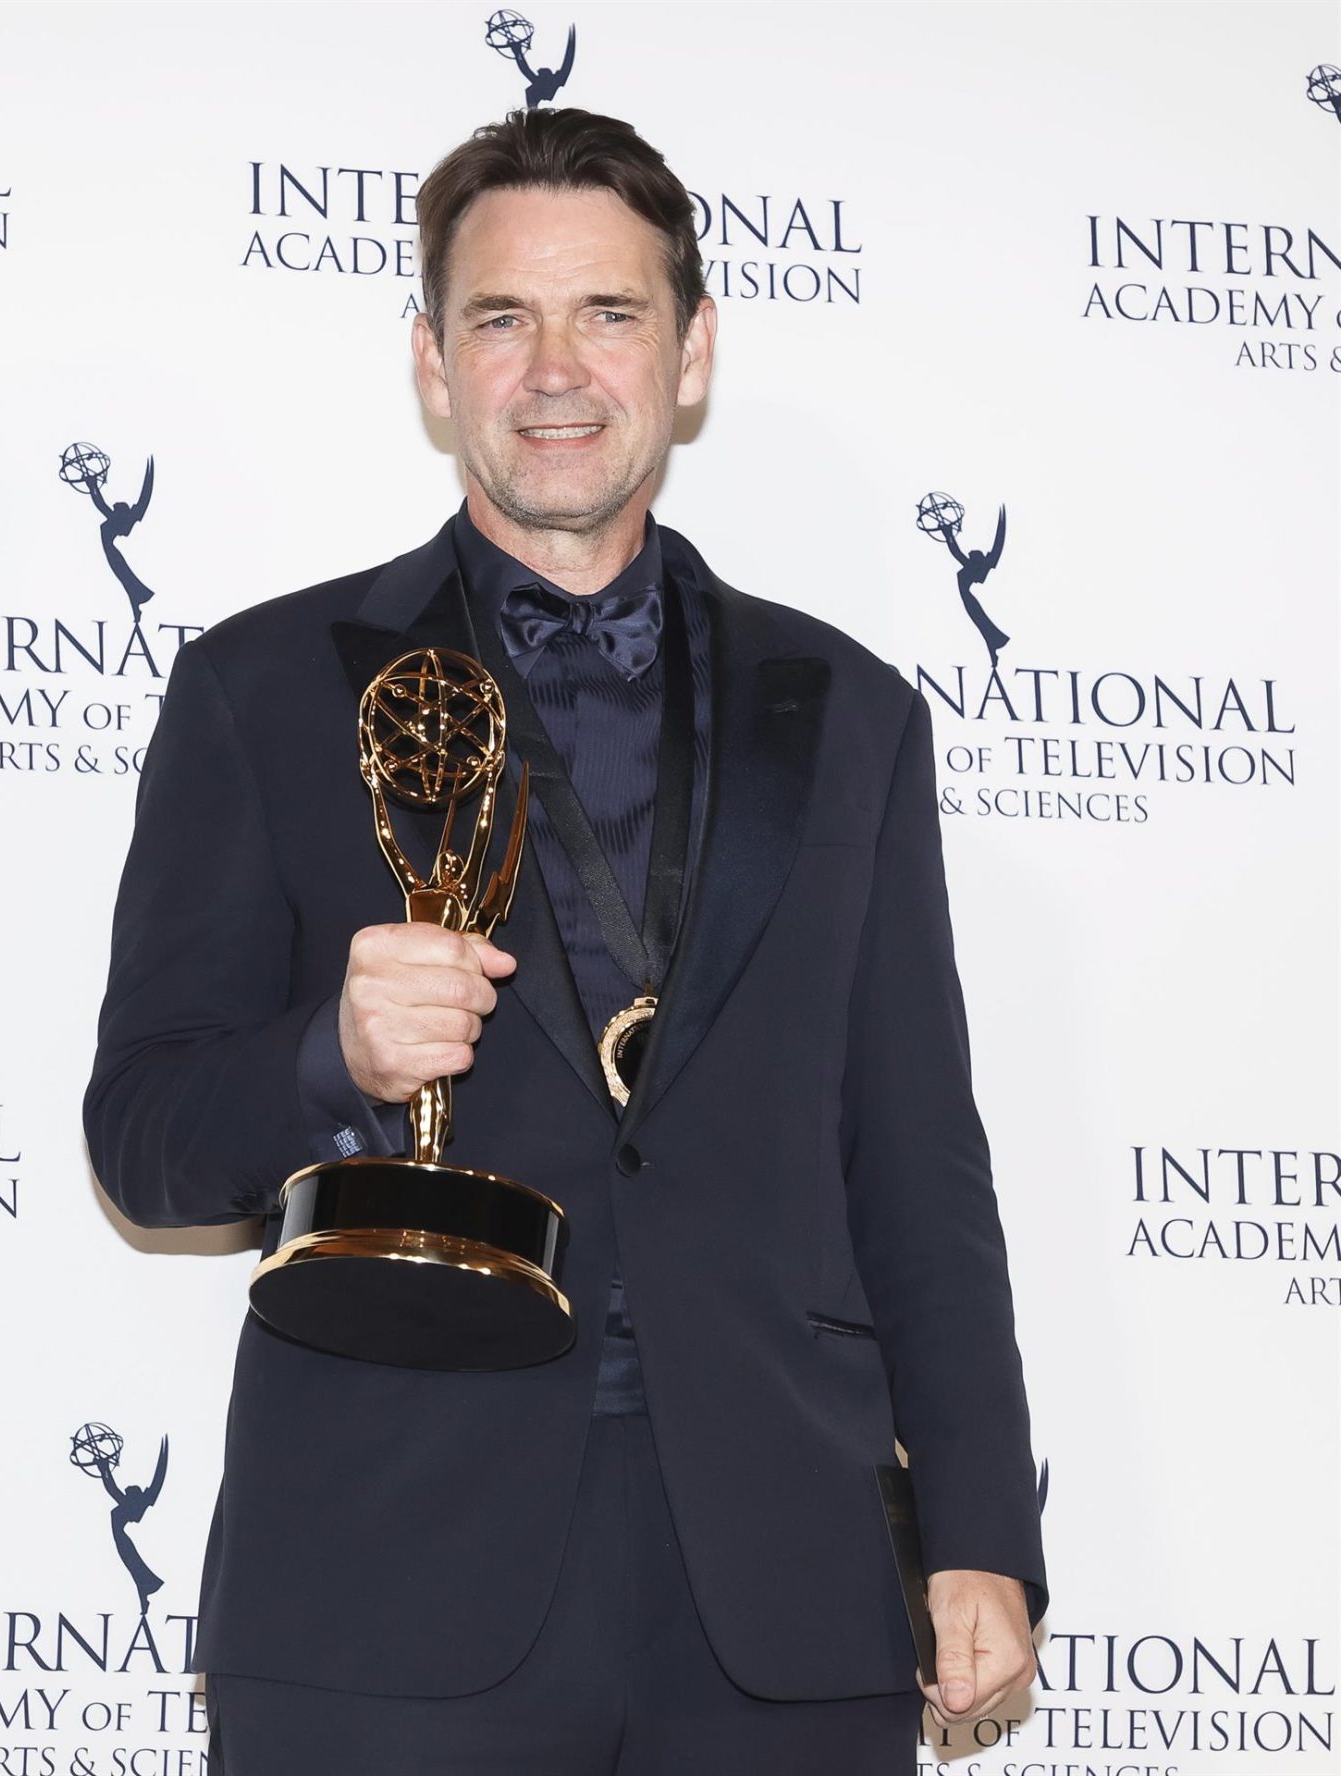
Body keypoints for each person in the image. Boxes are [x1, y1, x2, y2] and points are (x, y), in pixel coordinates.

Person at [84, 106, 1046, 1775]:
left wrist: (977, 1528)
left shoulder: (856, 718)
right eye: (500, 318)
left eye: (609, 313)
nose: (555, 369)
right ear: (433, 364)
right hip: (382, 1584)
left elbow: (919, 1161)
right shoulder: (260, 690)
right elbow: (147, 1140)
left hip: (781, 1586)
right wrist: (332, 1054)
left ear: (691, 354)